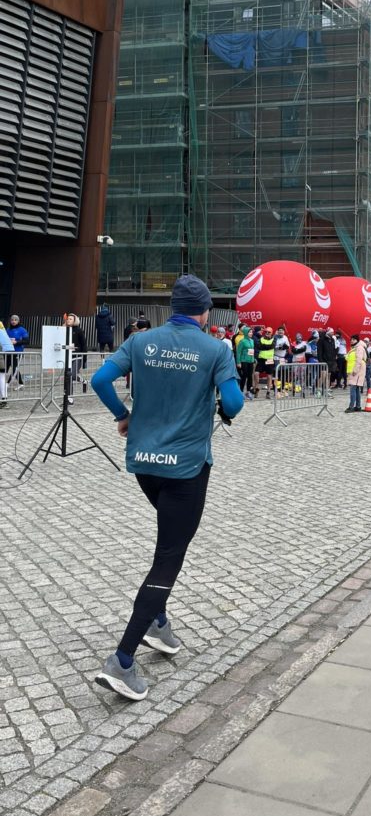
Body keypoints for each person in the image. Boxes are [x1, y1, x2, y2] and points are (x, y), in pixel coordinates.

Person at [91, 275, 243, 700]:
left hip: (145, 463)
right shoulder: (216, 349)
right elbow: (233, 405)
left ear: (172, 308)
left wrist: (123, 414)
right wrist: (217, 397)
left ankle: (158, 623)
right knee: (169, 558)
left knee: (168, 542)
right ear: (204, 312)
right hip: (187, 469)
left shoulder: (142, 341)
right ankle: (122, 660)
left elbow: (100, 380)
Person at [6, 314, 29, 388]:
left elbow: (27, 341)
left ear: (18, 321)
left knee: (14, 368)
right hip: (7, 352)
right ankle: (21, 383)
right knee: (4, 368)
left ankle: (7, 384)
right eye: (12, 320)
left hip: (17, 352)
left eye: (15, 320)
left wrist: (16, 342)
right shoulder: (8, 330)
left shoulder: (22, 330)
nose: (13, 321)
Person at [344, 334, 366, 412]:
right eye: (351, 339)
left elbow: (359, 360)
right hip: (353, 371)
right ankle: (358, 406)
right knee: (356, 389)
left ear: (357, 340)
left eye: (353, 339)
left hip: (357, 371)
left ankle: (351, 407)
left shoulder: (359, 348)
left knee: (353, 389)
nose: (352, 341)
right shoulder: (354, 348)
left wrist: (355, 370)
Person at [236, 324, 255, 399]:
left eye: (251, 332)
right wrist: (238, 362)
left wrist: (254, 359)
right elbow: (238, 352)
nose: (251, 333)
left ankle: (248, 392)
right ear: (246, 333)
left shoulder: (252, 341)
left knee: (250, 376)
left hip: (251, 360)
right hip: (243, 361)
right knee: (244, 376)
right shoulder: (242, 341)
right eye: (249, 332)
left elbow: (252, 350)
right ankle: (241, 391)